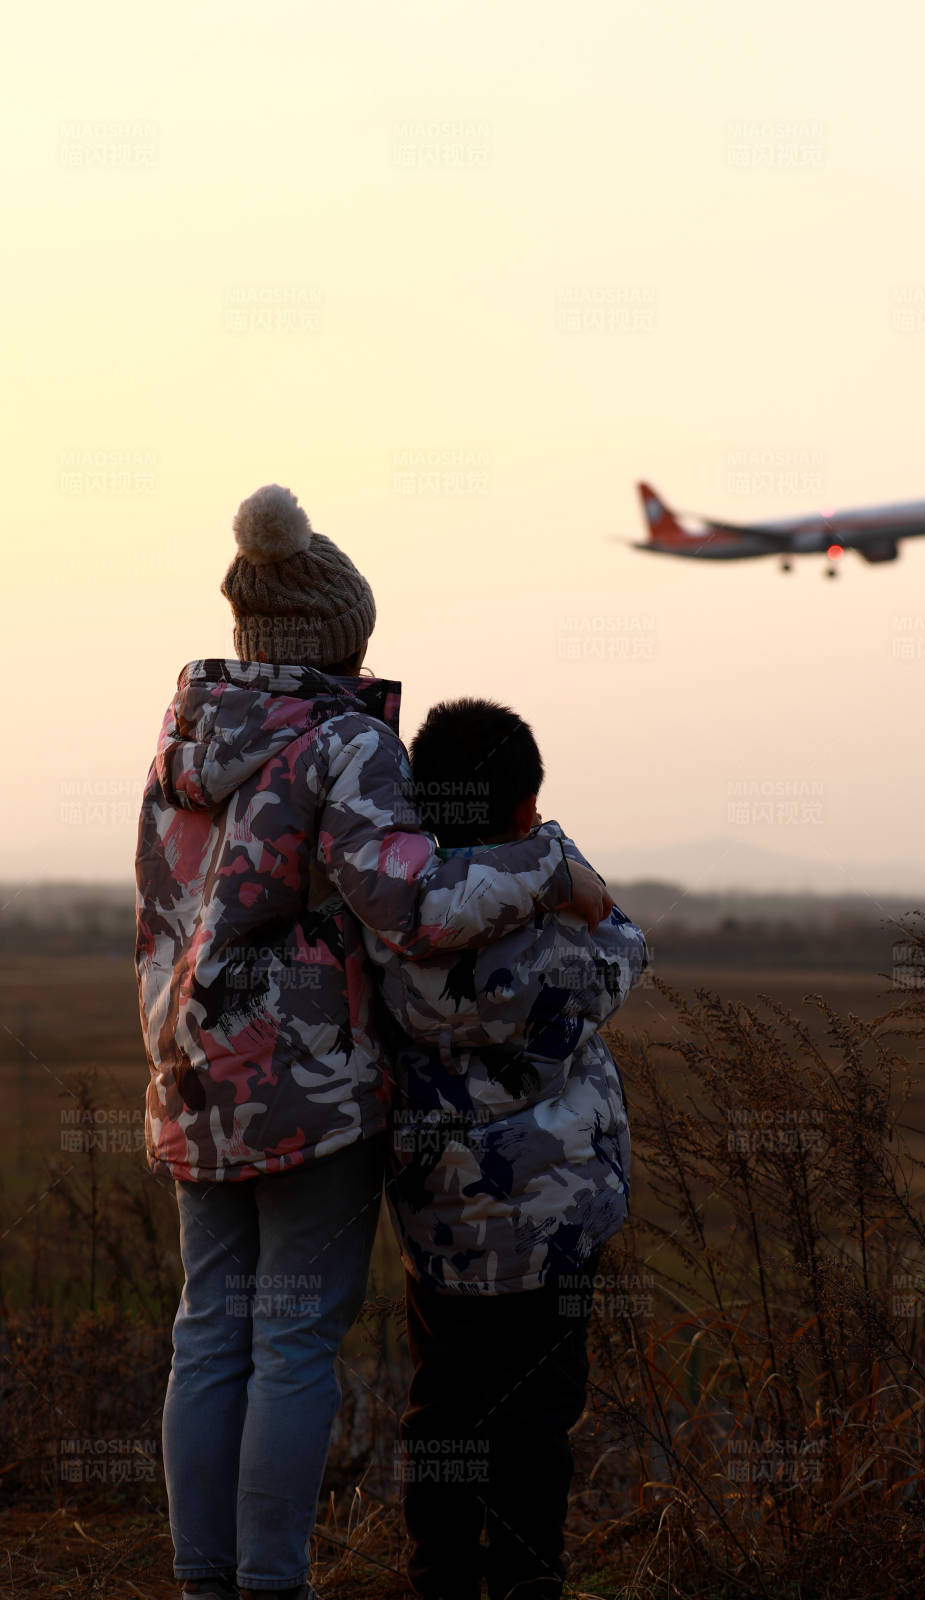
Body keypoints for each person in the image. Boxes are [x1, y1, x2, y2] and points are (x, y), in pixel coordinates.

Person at [135, 486, 610, 1600]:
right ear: (338, 635)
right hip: (309, 1087)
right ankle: (270, 1584)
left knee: (208, 1335)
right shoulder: (346, 742)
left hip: (191, 1068)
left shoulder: (183, 734)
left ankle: (205, 1585)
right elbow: (414, 908)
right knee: (295, 1341)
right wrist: (547, 863)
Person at [377, 696, 648, 1600]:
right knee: (534, 1416)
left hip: (440, 1224)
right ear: (526, 810)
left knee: (444, 1407)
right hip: (554, 1226)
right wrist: (559, 865)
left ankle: (440, 1576)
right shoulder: (554, 939)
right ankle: (529, 1583)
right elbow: (624, 945)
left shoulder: (388, 931)